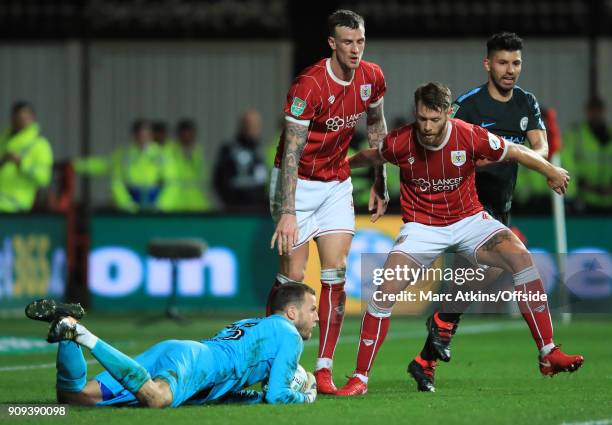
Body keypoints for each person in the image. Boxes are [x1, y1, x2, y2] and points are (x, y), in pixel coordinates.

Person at [336, 82, 583, 396]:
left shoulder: (469, 135)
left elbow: (517, 151)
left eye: (434, 120)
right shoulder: (401, 141)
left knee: (522, 257)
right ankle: (360, 378)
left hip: (468, 220)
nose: (426, 127)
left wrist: (550, 171)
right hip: (422, 228)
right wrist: (339, 167)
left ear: (446, 115)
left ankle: (548, 353)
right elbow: (373, 155)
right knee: (384, 291)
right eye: (422, 119)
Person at [406, 32, 553, 391]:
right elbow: (439, 144)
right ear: (488, 64)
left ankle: (426, 358)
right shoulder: (468, 105)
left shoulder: (526, 103)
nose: (510, 70)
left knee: (470, 283)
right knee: (485, 273)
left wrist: (536, 159)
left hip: (500, 207)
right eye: (502, 62)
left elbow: (541, 146)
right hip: (464, 206)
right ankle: (439, 331)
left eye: (516, 63)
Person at [266, 9, 388, 394]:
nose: (356, 49)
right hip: (297, 184)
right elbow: (290, 153)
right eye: (348, 42)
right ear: (332, 44)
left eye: (361, 41)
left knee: (335, 273)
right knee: (295, 277)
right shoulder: (309, 86)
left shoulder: (372, 77)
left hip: (336, 182)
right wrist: (287, 212)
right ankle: (271, 357)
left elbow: (377, 129)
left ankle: (323, 369)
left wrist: (380, 181)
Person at [25, 283, 318, 407]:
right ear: (292, 313)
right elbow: (278, 395)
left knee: (75, 396)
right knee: (157, 399)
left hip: (180, 350)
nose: (317, 317)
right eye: (313, 309)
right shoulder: (289, 335)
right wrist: (305, 397)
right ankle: (83, 335)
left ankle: (67, 326)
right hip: (196, 364)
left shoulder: (254, 323)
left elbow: (234, 379)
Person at [0, 101, 53, 212]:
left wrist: (21, 163)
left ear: (32, 119)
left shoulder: (39, 145)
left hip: (16, 205)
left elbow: (44, 178)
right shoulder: (3, 141)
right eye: (17, 119)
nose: (20, 122)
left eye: (24, 118)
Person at [562, 97, 612, 213]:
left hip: (609, 199)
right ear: (587, 112)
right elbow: (568, 163)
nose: (595, 114)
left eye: (598, 110)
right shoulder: (576, 134)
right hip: (585, 198)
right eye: (592, 110)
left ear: (603, 111)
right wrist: (580, 184)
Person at [213, 110, 268, 209]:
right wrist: (229, 203)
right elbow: (218, 180)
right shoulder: (229, 149)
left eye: (257, 125)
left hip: (259, 211)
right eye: (250, 125)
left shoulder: (261, 150)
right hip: (235, 211)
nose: (254, 129)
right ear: (243, 125)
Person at [110, 119, 164, 212]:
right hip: (132, 197)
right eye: (140, 135)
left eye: (146, 134)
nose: (143, 138)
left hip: (154, 198)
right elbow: (116, 182)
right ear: (134, 135)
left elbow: (171, 183)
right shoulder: (124, 155)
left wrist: (161, 204)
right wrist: (126, 203)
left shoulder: (161, 154)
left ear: (151, 135)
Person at [158, 119, 211, 212]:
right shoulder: (169, 152)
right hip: (175, 205)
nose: (187, 138)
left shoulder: (198, 153)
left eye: (190, 134)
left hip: (197, 205)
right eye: (184, 134)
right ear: (179, 136)